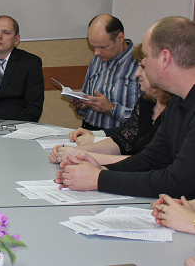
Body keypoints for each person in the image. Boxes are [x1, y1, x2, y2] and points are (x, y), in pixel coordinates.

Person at [54, 17, 195, 199]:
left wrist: (99, 178)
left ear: (165, 58)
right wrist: (100, 167)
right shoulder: (178, 100)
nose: (139, 68)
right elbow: (151, 160)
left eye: (145, 56)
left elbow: (178, 182)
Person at [49, 44, 172, 165]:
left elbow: (148, 162)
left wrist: (82, 156)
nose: (137, 73)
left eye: (143, 66)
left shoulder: (176, 108)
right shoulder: (147, 100)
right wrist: (75, 151)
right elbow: (122, 141)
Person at [72, 14, 140, 130]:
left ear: (120, 38)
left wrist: (111, 109)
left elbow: (147, 119)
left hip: (120, 138)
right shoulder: (96, 61)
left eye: (102, 47)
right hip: (89, 131)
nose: (96, 53)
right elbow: (87, 101)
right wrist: (83, 106)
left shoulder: (140, 65)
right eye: (93, 47)